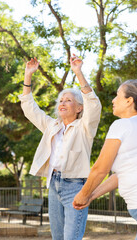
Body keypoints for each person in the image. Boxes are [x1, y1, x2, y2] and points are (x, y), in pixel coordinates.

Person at [73, 79, 137, 239]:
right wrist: (91, 196)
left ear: (129, 101)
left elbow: (100, 169)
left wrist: (82, 195)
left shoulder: (122, 126)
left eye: (117, 95)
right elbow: (119, 175)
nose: (113, 100)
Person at [18, 55, 102, 240]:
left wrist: (78, 72)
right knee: (58, 237)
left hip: (76, 185)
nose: (62, 103)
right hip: (53, 184)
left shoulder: (85, 127)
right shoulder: (52, 126)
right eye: (61, 100)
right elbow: (29, 108)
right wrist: (28, 75)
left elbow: (93, 105)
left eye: (68, 100)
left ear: (79, 108)